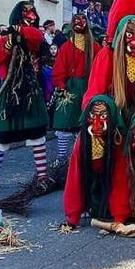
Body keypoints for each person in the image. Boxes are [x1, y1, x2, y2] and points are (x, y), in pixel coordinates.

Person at [0, 2, 50, 191]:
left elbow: (37, 37)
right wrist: (9, 44)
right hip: (9, 86)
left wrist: (19, 31)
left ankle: (42, 175)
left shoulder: (33, 33)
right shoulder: (3, 37)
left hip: (29, 86)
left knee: (35, 131)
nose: (31, 15)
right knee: (1, 129)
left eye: (33, 12)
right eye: (26, 12)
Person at [62, 95, 125, 227]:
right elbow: (74, 178)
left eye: (103, 116)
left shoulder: (117, 140)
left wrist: (120, 216)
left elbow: (121, 179)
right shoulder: (82, 142)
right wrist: (72, 217)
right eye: (92, 116)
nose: (96, 122)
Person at [52, 13, 102, 162]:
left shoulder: (95, 47)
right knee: (65, 123)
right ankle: (62, 158)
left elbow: (101, 68)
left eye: (82, 20)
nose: (79, 23)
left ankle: (78, 157)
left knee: (86, 124)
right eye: (76, 20)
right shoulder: (66, 47)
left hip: (90, 87)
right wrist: (60, 85)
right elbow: (59, 68)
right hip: (70, 89)